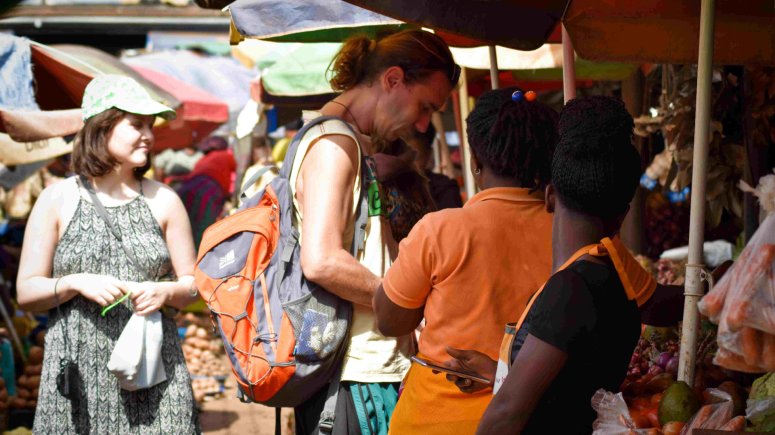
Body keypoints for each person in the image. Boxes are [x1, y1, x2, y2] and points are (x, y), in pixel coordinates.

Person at [443, 96, 666, 434]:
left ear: (549, 196)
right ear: (622, 213)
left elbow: (506, 414)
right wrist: (496, 371)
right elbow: (570, 384)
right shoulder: (616, 278)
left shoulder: (571, 289)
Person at [291, 29, 459, 434]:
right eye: (424, 106)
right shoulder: (333, 144)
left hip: (364, 369)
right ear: (393, 79)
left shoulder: (353, 142)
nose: (423, 123)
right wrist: (401, 301)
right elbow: (322, 260)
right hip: (351, 375)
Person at [16, 75, 200, 433]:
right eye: (136, 124)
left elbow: (195, 285)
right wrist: (74, 282)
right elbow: (26, 291)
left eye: (150, 126)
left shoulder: (165, 201)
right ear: (102, 127)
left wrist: (165, 291)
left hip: (154, 374)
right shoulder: (56, 199)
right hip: (79, 380)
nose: (148, 135)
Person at [372, 87, 559, 433]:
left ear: (474, 162)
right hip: (534, 419)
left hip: (433, 418)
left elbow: (390, 320)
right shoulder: (568, 233)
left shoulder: (440, 229)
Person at [174, 136, 236, 249]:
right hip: (208, 191)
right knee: (203, 230)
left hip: (186, 188)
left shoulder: (203, 159)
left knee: (184, 227)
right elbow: (234, 179)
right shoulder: (227, 155)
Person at [409, 123, 463, 210]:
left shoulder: (444, 188)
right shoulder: (392, 187)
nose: (408, 163)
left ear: (428, 155)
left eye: (416, 158)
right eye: (401, 156)